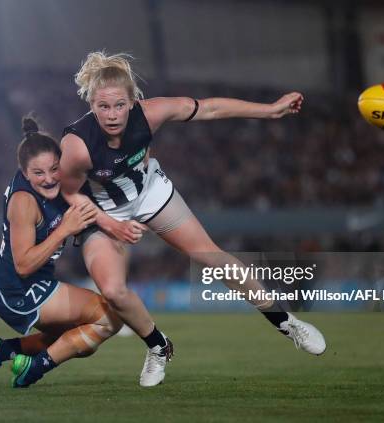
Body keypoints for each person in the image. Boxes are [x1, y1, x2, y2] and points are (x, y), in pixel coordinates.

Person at [59, 52, 327, 387]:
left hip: (149, 192)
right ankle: (159, 347)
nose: (111, 115)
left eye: (119, 105)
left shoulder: (153, 112)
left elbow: (210, 107)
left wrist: (270, 110)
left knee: (210, 256)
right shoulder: (76, 145)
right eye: (102, 106)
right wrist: (111, 225)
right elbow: (70, 193)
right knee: (113, 291)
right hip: (103, 211)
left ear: (133, 102)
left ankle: (286, 322)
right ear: (91, 104)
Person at [0, 116, 123, 390]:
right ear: (24, 174)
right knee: (108, 319)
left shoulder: (65, 182)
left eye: (54, 169)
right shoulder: (23, 202)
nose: (49, 179)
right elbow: (23, 265)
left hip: (35, 283)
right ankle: (33, 369)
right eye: (39, 174)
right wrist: (65, 229)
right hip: (17, 290)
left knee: (80, 342)